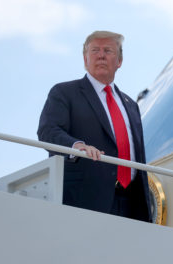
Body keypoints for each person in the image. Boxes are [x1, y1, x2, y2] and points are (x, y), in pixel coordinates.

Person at [37, 31, 152, 222]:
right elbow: (48, 131)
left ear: (119, 61)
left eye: (108, 50)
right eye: (95, 50)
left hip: (132, 203)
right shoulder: (64, 92)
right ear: (85, 58)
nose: (101, 55)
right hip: (85, 199)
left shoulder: (131, 105)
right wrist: (77, 146)